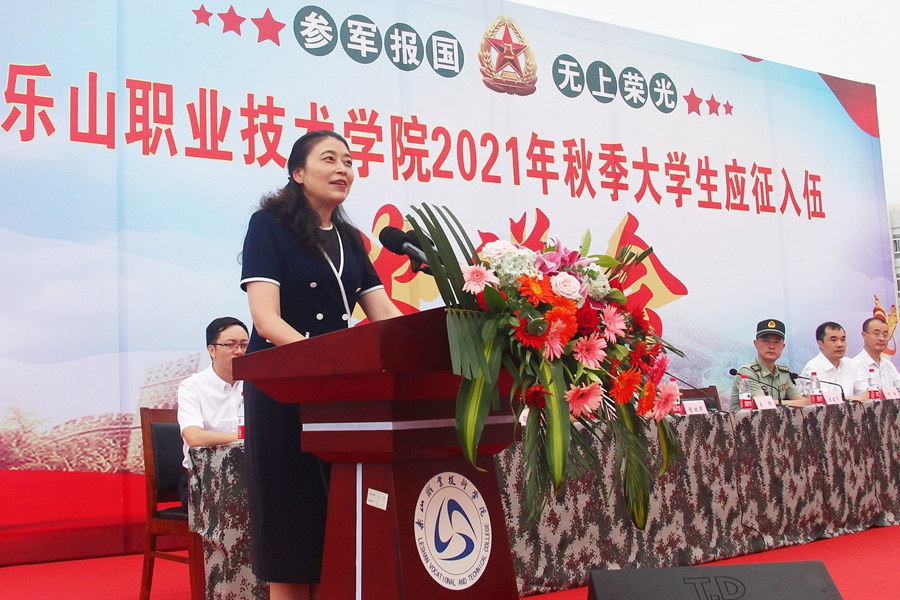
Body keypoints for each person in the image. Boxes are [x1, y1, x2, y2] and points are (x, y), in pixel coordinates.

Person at [240, 130, 402, 600]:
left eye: (348, 161)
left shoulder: (350, 239)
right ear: (297, 172)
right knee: (292, 521)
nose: (343, 169)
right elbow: (266, 320)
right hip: (282, 388)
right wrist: (325, 362)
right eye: (329, 159)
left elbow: (384, 314)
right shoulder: (268, 226)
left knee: (335, 521)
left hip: (335, 395)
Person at [176, 317, 249, 509]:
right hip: (203, 477)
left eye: (244, 345)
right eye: (230, 345)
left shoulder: (256, 384)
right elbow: (194, 437)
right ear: (212, 350)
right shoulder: (192, 387)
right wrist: (245, 438)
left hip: (249, 473)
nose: (239, 351)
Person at [729, 319, 808, 410]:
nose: (771, 346)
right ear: (756, 344)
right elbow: (762, 404)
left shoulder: (783, 373)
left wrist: (804, 402)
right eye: (766, 341)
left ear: (783, 346)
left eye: (777, 342)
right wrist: (803, 402)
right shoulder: (746, 372)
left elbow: (801, 401)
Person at [798, 321, 867, 400]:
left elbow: (865, 393)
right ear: (820, 344)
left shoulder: (850, 364)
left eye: (843, 339)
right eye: (833, 340)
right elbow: (822, 400)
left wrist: (860, 397)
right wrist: (858, 398)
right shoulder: (812, 369)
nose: (840, 344)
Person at [853, 317, 900, 391]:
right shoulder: (856, 364)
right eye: (876, 334)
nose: (881, 338)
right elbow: (866, 394)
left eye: (885, 335)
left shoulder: (889, 365)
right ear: (864, 335)